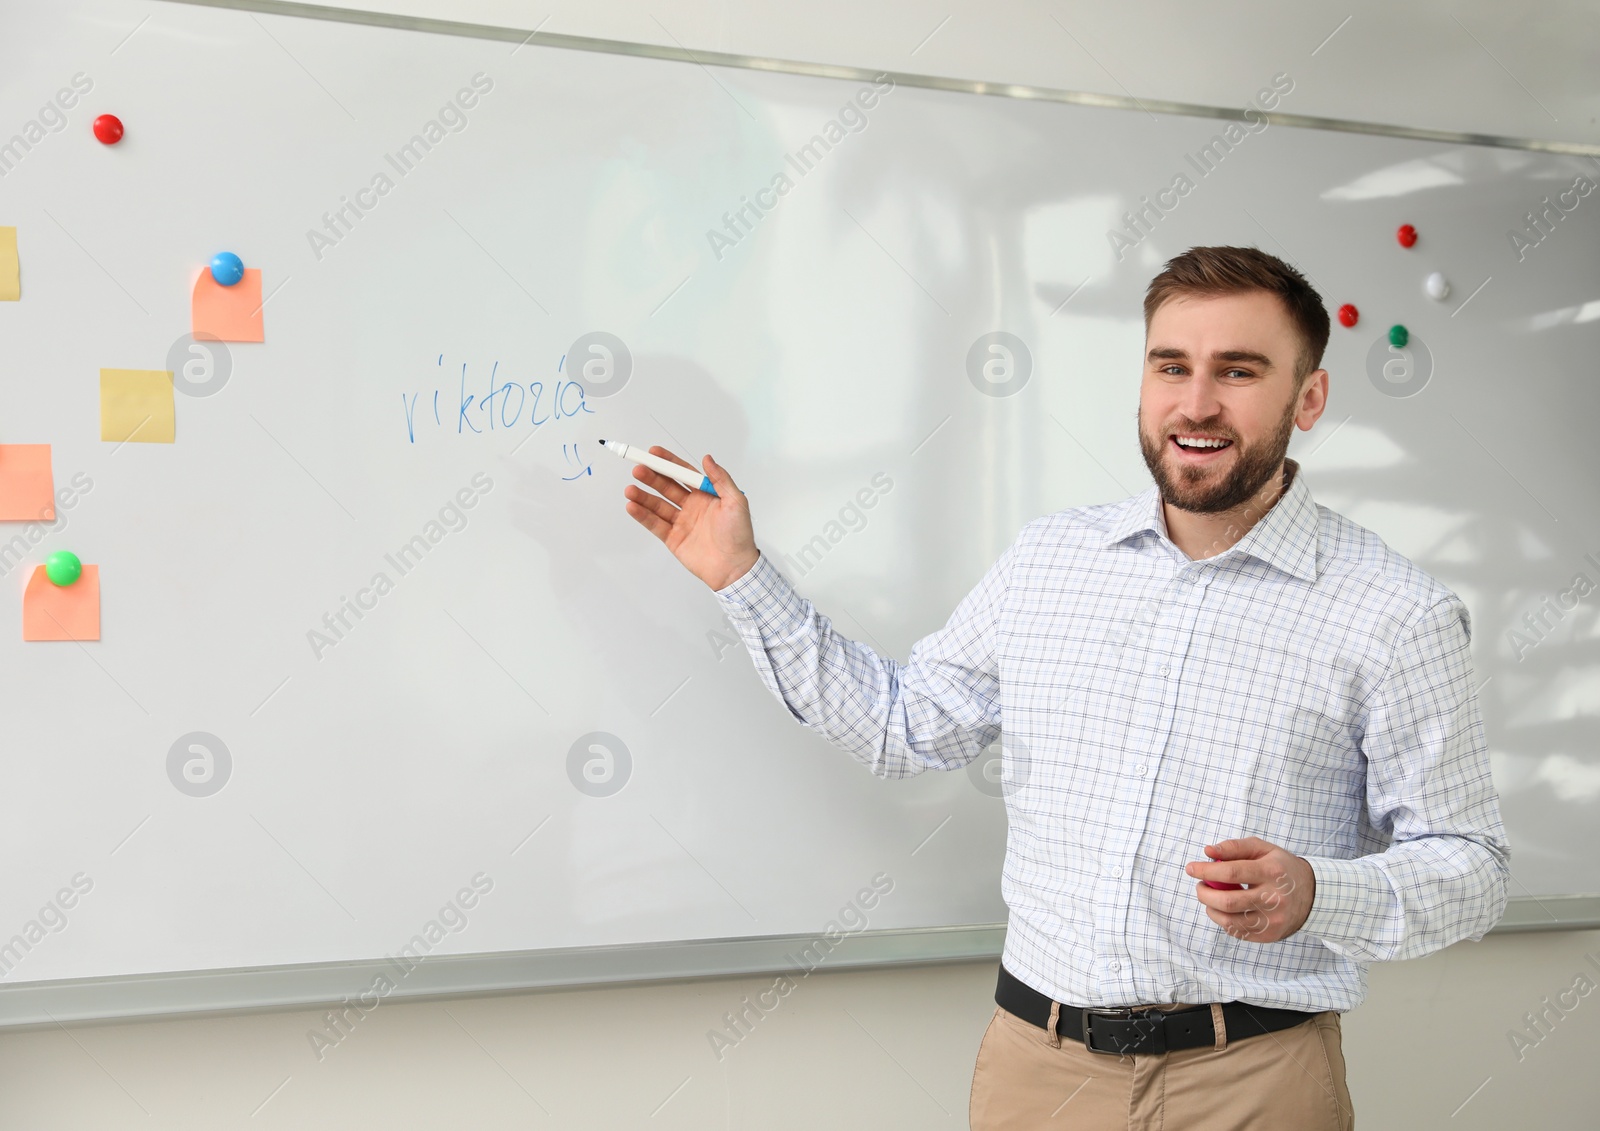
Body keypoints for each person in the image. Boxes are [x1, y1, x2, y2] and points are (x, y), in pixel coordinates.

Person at [619, 245, 1509, 1130]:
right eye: (1172, 366)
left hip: (1254, 1079)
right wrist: (742, 575)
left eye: (1238, 371)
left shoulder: (1397, 614)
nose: (1196, 403)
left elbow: (1472, 867)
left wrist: (1319, 893)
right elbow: (900, 726)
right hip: (1037, 1075)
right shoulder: (1050, 561)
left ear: (1307, 397)